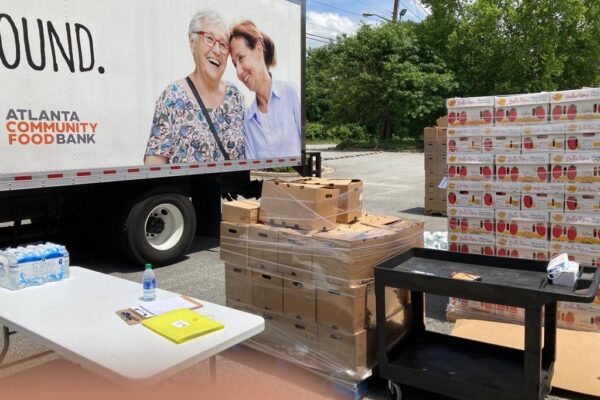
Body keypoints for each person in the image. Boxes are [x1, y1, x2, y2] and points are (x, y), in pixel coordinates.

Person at [144, 9, 245, 164]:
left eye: (223, 45)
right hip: (187, 189)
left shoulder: (235, 96)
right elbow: (154, 165)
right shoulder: (172, 97)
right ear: (192, 43)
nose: (217, 50)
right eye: (210, 39)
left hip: (232, 188)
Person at [229, 20, 301, 159]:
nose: (238, 71)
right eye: (234, 64)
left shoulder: (291, 93)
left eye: (241, 58)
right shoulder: (248, 120)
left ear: (259, 49)